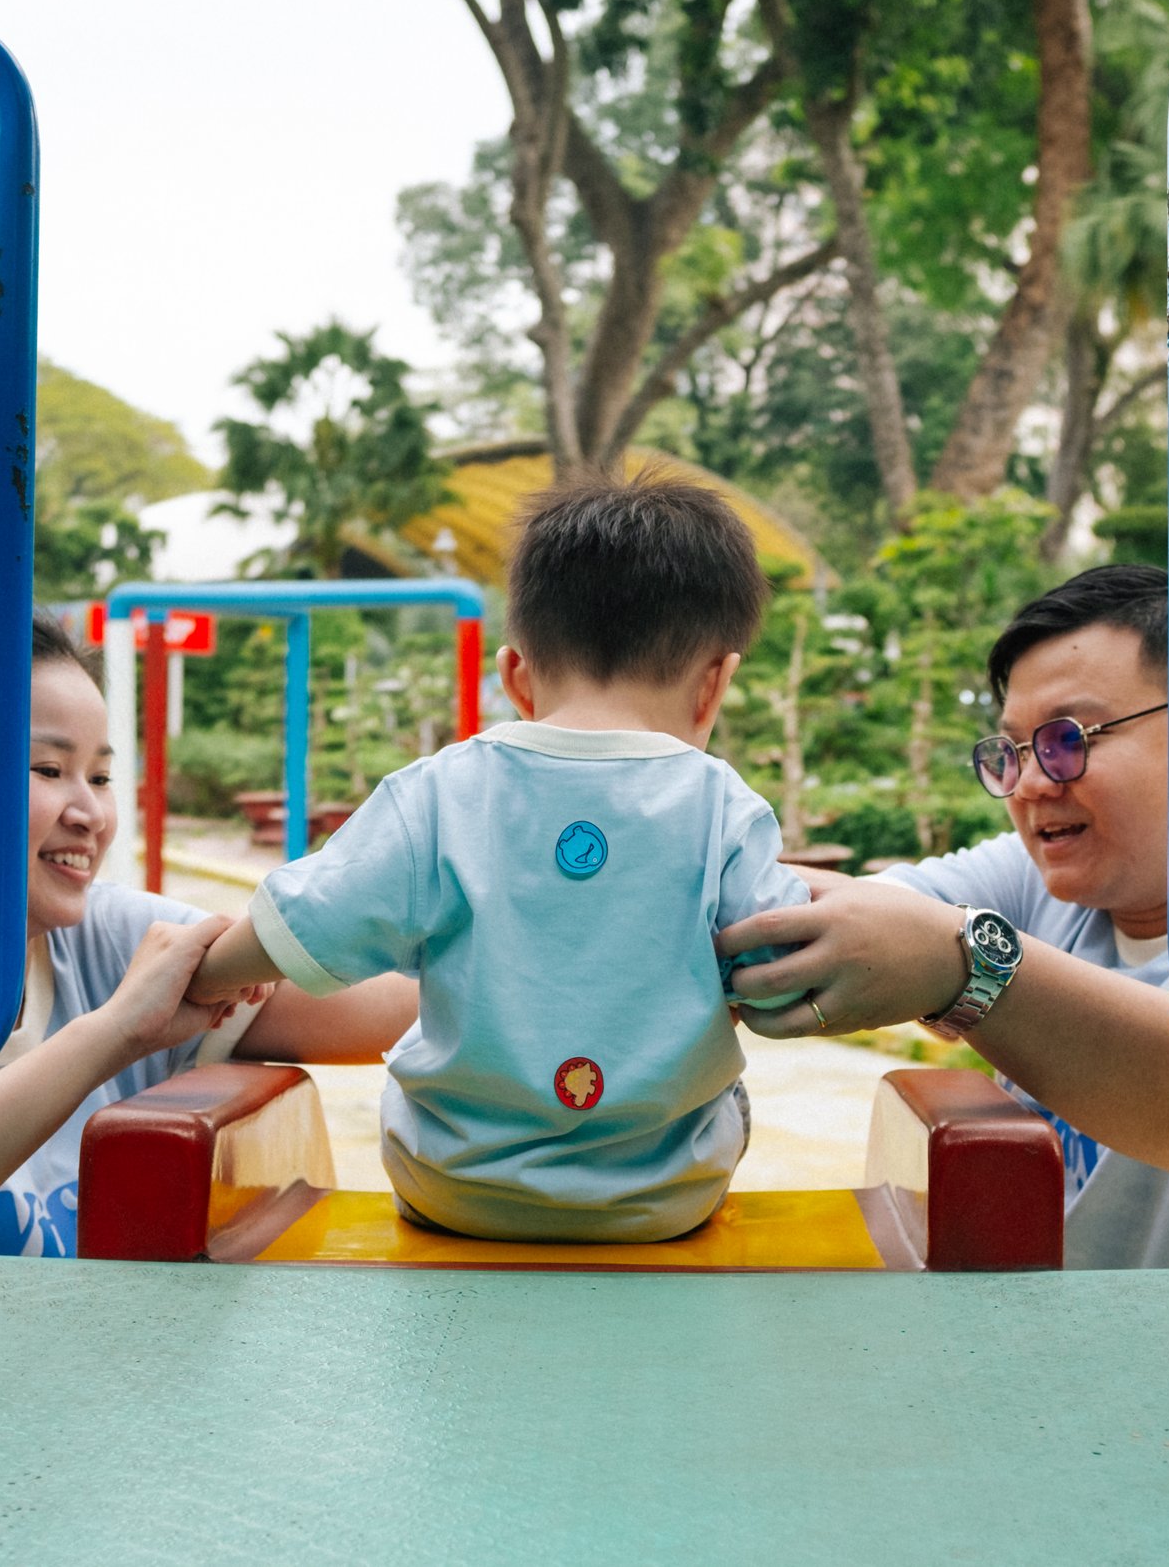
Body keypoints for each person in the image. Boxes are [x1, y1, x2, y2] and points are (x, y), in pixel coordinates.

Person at [188, 475, 810, 1242]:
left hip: (451, 1186)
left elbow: (299, 927)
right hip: (662, 1196)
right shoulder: (725, 807)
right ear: (716, 681)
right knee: (725, 1091)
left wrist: (205, 974)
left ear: (516, 674)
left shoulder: (439, 792)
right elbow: (787, 976)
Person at [720, 565, 1169, 1268]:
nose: (1031, 784)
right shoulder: (1046, 884)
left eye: (1067, 740)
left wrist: (963, 967)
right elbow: (848, 913)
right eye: (1012, 751)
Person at [0, 598, 413, 1256]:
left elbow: (385, 1005)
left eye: (99, 776)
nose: (92, 812)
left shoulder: (112, 939)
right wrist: (114, 1033)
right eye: (48, 769)